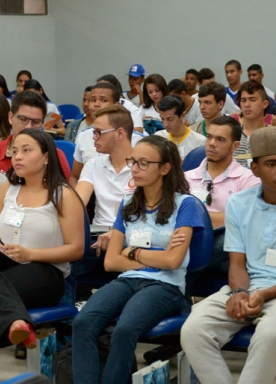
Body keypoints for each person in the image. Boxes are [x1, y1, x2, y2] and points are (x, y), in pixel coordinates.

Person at [180, 126, 276, 384]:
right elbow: (237, 264)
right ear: (255, 169)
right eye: (271, 164)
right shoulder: (239, 204)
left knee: (269, 335)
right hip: (248, 287)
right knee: (193, 329)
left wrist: (262, 295)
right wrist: (240, 292)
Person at [0, 129, 85, 384]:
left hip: (44, 271)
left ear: (46, 157)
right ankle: (15, 319)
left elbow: (77, 249)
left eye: (26, 150)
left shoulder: (63, 194)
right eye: (14, 151)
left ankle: (11, 322)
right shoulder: (7, 190)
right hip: (1, 268)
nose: (17, 157)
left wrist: (30, 253)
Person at [72, 135, 204, 383]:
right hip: (128, 280)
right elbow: (111, 262)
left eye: (144, 163)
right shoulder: (128, 203)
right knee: (83, 322)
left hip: (166, 285)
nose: (135, 169)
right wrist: (157, 257)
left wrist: (131, 251)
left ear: (165, 168)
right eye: (133, 161)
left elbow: (174, 262)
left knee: (124, 329)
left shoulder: (185, 205)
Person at [0, 90, 72, 235]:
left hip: (40, 227)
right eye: (23, 119)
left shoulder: (55, 155)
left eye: (36, 122)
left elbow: (65, 202)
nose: (28, 126)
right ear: (10, 118)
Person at [184, 116, 260, 290]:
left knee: (228, 237)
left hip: (230, 255)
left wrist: (194, 217)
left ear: (235, 146)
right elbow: (175, 217)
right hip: (188, 242)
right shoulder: (186, 178)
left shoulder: (249, 180)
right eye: (209, 137)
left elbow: (244, 222)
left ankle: (172, 285)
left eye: (220, 139)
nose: (211, 143)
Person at [73, 105, 135, 291]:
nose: (94, 137)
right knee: (63, 255)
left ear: (120, 133)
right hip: (97, 234)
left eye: (99, 132)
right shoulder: (93, 164)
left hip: (132, 235)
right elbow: (77, 204)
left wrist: (117, 233)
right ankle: (68, 313)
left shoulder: (144, 164)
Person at [71, 82, 145, 184]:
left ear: (116, 106)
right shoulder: (83, 136)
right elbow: (75, 176)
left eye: (103, 100)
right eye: (93, 100)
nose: (96, 104)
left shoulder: (138, 140)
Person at [233, 81, 268, 167]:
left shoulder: (274, 136)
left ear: (265, 104)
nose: (247, 105)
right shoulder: (231, 136)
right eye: (243, 100)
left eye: (253, 100)